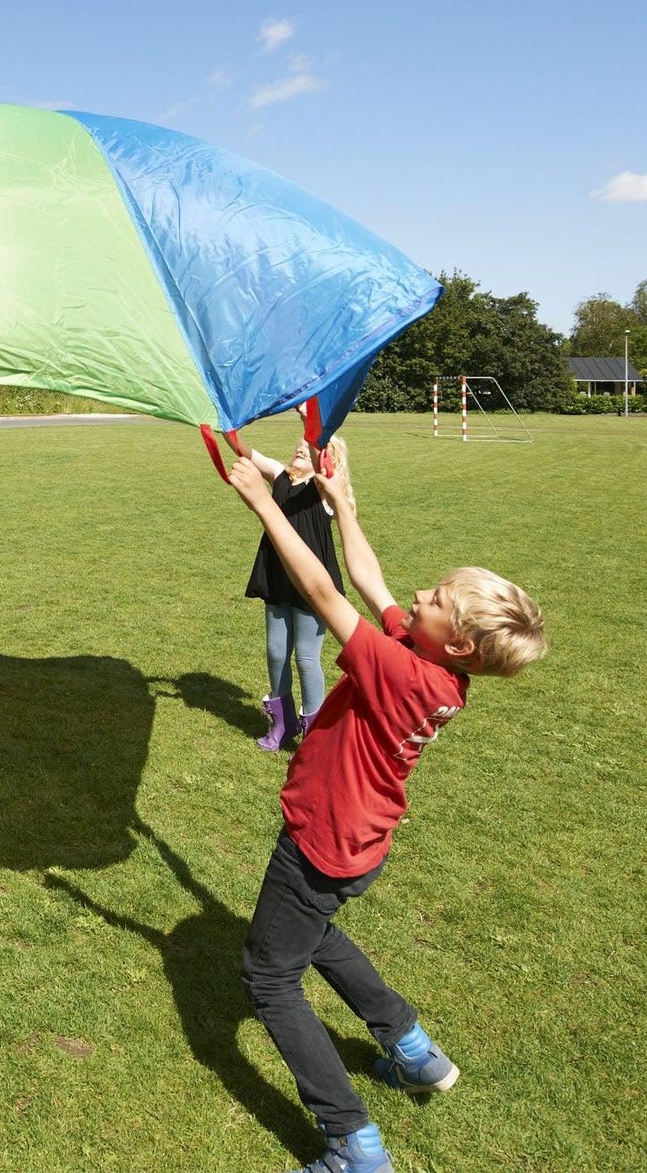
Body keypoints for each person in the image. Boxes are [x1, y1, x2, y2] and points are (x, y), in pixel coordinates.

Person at [226, 451, 545, 1173]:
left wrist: (265, 505)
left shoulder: (397, 670)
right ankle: (409, 1048)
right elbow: (367, 580)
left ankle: (351, 1142)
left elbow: (323, 589)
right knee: (316, 933)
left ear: (456, 640)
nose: (417, 594)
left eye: (432, 597)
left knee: (269, 978)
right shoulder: (437, 669)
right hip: (362, 840)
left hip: (322, 838)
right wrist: (345, 506)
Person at [240, 418, 356, 750]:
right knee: (276, 653)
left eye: (309, 447)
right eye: (299, 445)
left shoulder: (324, 489)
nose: (300, 448)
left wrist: (312, 422)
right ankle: (282, 724)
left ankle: (314, 734)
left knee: (306, 658)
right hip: (277, 580)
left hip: (312, 586)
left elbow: (322, 460)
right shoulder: (279, 476)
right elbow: (246, 452)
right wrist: (224, 425)